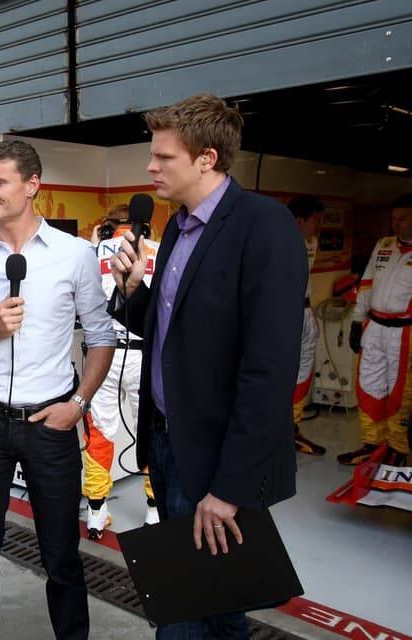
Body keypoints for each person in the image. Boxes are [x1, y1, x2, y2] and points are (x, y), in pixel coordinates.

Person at [110, 94, 306, 639]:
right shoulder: (177, 228)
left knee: (189, 611)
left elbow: (268, 370)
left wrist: (230, 488)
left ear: (207, 159)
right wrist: (132, 293)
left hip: (221, 461)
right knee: (212, 605)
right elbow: (173, 334)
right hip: (169, 446)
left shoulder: (264, 226)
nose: (150, 167)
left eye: (163, 158)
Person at [0, 139, 115, 640]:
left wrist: (77, 405)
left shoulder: (74, 256)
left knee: (61, 554)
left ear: (31, 185)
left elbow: (101, 338)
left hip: (50, 424)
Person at [84, 205, 159, 539]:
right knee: (153, 434)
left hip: (104, 356)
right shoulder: (158, 251)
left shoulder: (91, 253)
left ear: (106, 227)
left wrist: (93, 244)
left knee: (99, 433)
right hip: (145, 357)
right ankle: (155, 512)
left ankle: (97, 513)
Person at [344, 193, 412, 467]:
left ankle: (397, 447)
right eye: (394, 219)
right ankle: (372, 444)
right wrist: (357, 322)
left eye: (404, 218)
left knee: (400, 392)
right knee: (368, 385)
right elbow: (367, 283)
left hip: (405, 331)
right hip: (374, 326)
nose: (397, 224)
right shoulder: (383, 245)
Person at [288, 195, 327, 456]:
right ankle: (277, 431)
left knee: (303, 373)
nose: (318, 227)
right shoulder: (275, 242)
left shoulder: (311, 241)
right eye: (315, 221)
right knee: (282, 374)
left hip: (305, 311)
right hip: (284, 314)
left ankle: (293, 427)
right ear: (299, 220)